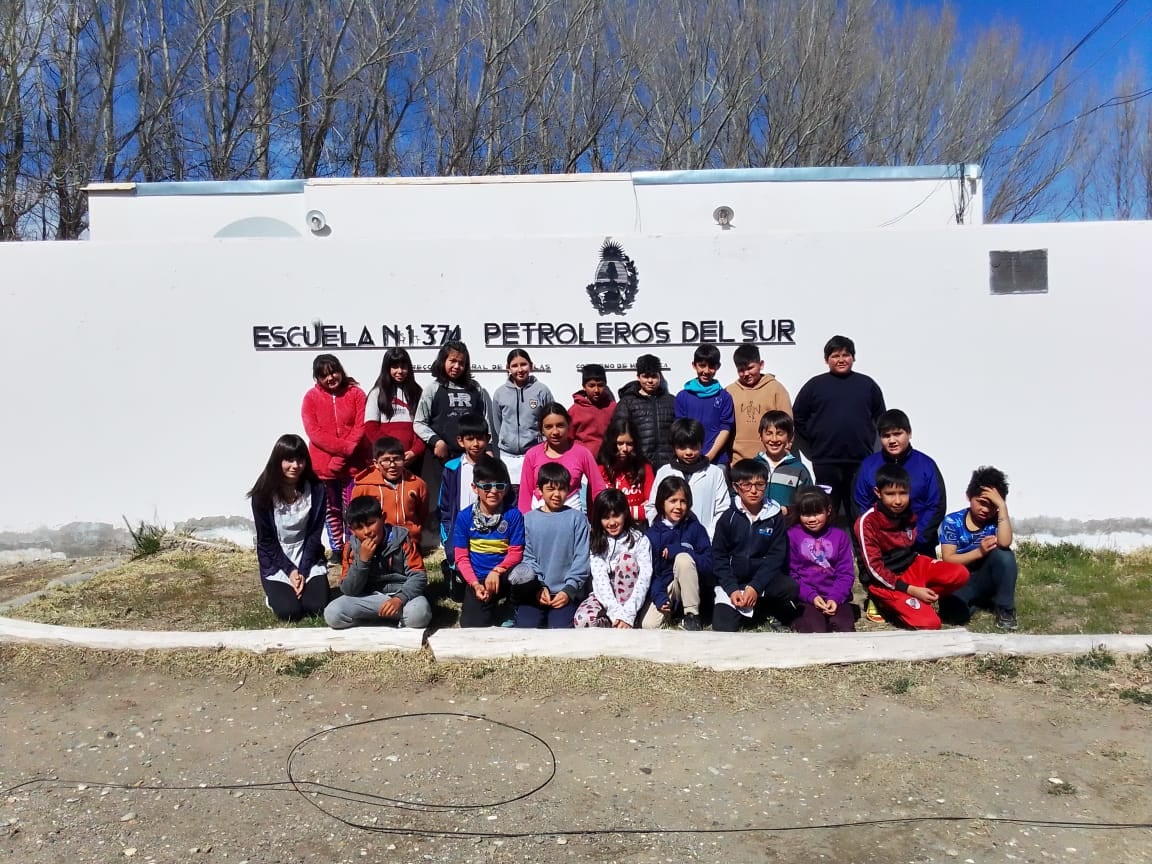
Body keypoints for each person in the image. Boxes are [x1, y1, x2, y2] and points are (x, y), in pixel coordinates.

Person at [854, 464, 968, 630]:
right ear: (878, 493)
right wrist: (910, 589)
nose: (898, 500)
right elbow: (874, 568)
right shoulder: (868, 522)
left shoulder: (908, 513)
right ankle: (883, 601)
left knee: (960, 573)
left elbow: (911, 545)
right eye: (890, 494)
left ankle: (917, 601)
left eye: (903, 493)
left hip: (911, 566)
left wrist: (916, 586)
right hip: (886, 580)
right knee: (931, 624)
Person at [792, 335, 886, 522]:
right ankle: (827, 550)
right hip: (826, 460)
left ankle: (860, 551)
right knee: (827, 509)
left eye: (846, 355)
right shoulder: (815, 385)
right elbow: (798, 416)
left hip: (860, 460)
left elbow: (881, 418)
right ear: (827, 359)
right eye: (835, 355)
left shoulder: (867, 385)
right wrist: (815, 439)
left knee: (858, 510)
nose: (841, 359)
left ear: (853, 357)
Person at [248, 434, 330, 621]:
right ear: (278, 461)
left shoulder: (316, 489)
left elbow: (315, 533)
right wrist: (291, 571)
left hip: (307, 553)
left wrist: (302, 569)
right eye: (289, 459)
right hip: (277, 558)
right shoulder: (262, 495)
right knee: (289, 612)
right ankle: (274, 597)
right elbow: (266, 541)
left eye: (300, 459)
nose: (295, 465)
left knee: (315, 607)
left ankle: (306, 584)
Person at [710, 459, 799, 632]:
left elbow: (776, 556)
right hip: (734, 583)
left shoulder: (775, 517)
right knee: (723, 628)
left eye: (759, 484)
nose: (753, 490)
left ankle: (767, 608)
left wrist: (755, 587)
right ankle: (749, 610)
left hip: (762, 581)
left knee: (790, 587)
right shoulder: (728, 518)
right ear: (736, 487)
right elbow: (719, 556)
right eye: (746, 485)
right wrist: (732, 589)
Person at [323, 497, 432, 630]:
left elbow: (419, 576)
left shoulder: (402, 539)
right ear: (351, 530)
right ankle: (378, 622)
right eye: (359, 528)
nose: (367, 532)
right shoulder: (351, 548)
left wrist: (400, 598)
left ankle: (385, 620)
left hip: (400, 597)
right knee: (332, 614)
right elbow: (349, 590)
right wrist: (362, 561)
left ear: (383, 518)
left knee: (420, 613)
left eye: (371, 523)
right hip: (368, 598)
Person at [300, 353, 369, 556]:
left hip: (354, 465)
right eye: (324, 375)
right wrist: (340, 452)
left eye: (334, 372)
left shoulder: (356, 393)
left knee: (352, 508)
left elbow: (360, 426)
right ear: (317, 378)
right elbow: (314, 432)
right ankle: (337, 549)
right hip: (323, 467)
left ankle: (351, 547)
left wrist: (343, 455)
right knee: (332, 510)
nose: (330, 378)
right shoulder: (310, 398)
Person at [507, 463, 591, 628]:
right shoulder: (528, 520)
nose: (556, 494)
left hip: (565, 593)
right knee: (526, 627)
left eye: (562, 489)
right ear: (539, 489)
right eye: (550, 489)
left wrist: (569, 590)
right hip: (536, 591)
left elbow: (582, 558)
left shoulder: (578, 519)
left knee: (559, 629)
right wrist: (539, 587)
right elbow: (527, 557)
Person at [852, 409, 945, 557]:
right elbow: (859, 505)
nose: (892, 440)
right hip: (881, 548)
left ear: (909, 433)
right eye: (886, 436)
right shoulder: (868, 466)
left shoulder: (926, 465)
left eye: (897, 434)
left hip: (919, 546)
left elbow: (936, 505)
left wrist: (916, 538)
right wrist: (875, 537)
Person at [939, 466, 1018, 631]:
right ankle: (977, 602)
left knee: (1004, 555)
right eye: (981, 503)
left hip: (985, 576)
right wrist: (979, 552)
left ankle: (1006, 610)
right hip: (960, 578)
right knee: (953, 617)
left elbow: (1004, 543)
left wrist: (1002, 508)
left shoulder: (997, 520)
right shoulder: (953, 521)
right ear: (969, 497)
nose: (986, 510)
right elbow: (948, 558)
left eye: (992, 505)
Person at [452, 455, 525, 628]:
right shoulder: (464, 517)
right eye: (486, 486)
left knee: (525, 575)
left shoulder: (513, 515)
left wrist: (497, 571)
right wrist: (475, 584)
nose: (493, 491)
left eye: (499, 486)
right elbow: (461, 558)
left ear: (506, 489)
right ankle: (488, 604)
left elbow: (516, 552)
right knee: (471, 625)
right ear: (475, 488)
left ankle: (511, 606)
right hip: (478, 577)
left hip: (504, 574)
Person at [437, 414, 499, 598]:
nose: (476, 444)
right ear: (460, 441)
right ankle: (454, 575)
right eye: (470, 439)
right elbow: (445, 505)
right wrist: (447, 532)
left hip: (489, 528)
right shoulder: (452, 468)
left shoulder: (494, 467)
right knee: (459, 592)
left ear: (487, 439)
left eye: (480, 438)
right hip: (461, 526)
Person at [573, 489, 653, 629]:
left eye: (616, 516)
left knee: (626, 561)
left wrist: (627, 613)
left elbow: (645, 577)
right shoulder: (596, 541)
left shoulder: (639, 540)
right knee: (582, 620)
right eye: (605, 518)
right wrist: (614, 612)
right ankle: (611, 622)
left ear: (625, 513)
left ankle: (628, 621)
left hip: (631, 597)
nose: (611, 523)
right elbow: (600, 578)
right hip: (604, 596)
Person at [642, 476, 712, 630]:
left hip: (694, 587)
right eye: (673, 501)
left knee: (683, 559)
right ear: (662, 502)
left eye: (683, 501)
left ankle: (691, 615)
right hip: (667, 587)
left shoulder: (695, 529)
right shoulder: (652, 535)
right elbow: (651, 573)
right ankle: (673, 613)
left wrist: (682, 549)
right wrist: (660, 596)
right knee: (649, 625)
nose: (679, 506)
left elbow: (709, 564)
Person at [413, 340, 496, 463]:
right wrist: (436, 441)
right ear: (443, 361)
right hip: (440, 459)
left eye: (461, 363)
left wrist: (488, 448)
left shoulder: (475, 388)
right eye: (452, 361)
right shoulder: (433, 388)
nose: (457, 366)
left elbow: (485, 421)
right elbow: (419, 422)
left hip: (471, 458)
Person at [787, 486, 856, 633]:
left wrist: (835, 598)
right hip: (806, 598)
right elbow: (792, 574)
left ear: (828, 510)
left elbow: (845, 573)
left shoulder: (840, 536)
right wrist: (811, 597)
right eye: (806, 514)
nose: (812, 519)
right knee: (814, 631)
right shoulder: (792, 536)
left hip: (836, 596)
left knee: (844, 628)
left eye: (817, 513)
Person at [645, 418, 729, 538]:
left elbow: (722, 509)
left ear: (702, 444)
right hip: (667, 542)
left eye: (693, 446)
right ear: (673, 447)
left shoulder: (715, 473)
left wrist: (707, 535)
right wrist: (663, 531)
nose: (688, 452)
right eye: (682, 447)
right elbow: (653, 506)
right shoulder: (664, 472)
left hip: (704, 543)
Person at [517, 403, 605, 512]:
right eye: (548, 427)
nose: (555, 432)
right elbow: (525, 495)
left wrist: (596, 519)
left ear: (568, 425)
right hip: (538, 519)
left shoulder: (582, 453)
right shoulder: (532, 455)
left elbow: (597, 488)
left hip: (572, 520)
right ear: (541, 429)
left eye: (560, 425)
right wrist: (524, 522)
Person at [491, 349, 553, 497]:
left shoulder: (541, 391)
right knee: (510, 496)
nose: (520, 369)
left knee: (534, 494)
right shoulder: (500, 393)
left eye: (523, 364)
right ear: (508, 368)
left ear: (530, 366)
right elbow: (497, 423)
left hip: (533, 453)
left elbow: (550, 419)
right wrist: (507, 440)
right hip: (508, 455)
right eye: (514, 365)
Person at [350, 436, 428, 552]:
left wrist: (415, 531)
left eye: (397, 459)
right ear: (376, 463)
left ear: (404, 459)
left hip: (410, 543)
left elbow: (422, 513)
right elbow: (355, 517)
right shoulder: (363, 487)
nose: (392, 465)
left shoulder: (417, 484)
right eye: (386, 460)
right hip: (377, 544)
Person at [726, 344, 792, 463]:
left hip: (770, 459)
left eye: (750, 368)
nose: (746, 374)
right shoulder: (729, 392)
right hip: (737, 461)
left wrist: (785, 450)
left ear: (761, 365)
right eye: (741, 370)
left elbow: (788, 423)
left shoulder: (776, 389)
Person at [364, 347, 425, 472]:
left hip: (413, 461)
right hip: (387, 462)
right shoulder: (377, 393)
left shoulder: (417, 392)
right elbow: (371, 428)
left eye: (403, 367)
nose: (400, 371)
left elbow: (423, 426)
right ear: (387, 368)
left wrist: (414, 451)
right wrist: (390, 454)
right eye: (395, 367)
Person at [673, 343, 736, 465]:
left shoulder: (724, 397)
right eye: (702, 366)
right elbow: (680, 430)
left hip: (717, 460)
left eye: (711, 366)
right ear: (694, 365)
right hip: (688, 460)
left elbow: (725, 428)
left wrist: (709, 456)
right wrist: (689, 454)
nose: (706, 371)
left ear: (718, 366)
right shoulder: (682, 396)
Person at [613, 353, 676, 469]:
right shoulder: (627, 402)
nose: (650, 381)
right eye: (646, 376)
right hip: (639, 466)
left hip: (668, 466)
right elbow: (619, 434)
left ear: (659, 377)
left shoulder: (671, 401)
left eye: (654, 376)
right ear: (638, 377)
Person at [597, 418, 655, 528]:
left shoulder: (645, 468)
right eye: (619, 443)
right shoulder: (600, 470)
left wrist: (616, 513)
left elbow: (650, 509)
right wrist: (635, 510)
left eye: (629, 444)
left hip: (638, 531)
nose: (625, 448)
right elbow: (596, 510)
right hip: (607, 531)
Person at [755, 410, 813, 515]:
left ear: (789, 437)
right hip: (756, 527)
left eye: (780, 433)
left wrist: (788, 511)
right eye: (769, 433)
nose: (774, 439)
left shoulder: (799, 470)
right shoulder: (753, 466)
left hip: (786, 528)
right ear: (760, 436)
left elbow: (808, 502)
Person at [569, 363, 616, 456]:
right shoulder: (574, 411)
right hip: (582, 461)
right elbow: (568, 440)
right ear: (584, 386)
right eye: (591, 386)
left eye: (600, 385)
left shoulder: (613, 408)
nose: (596, 390)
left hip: (608, 462)